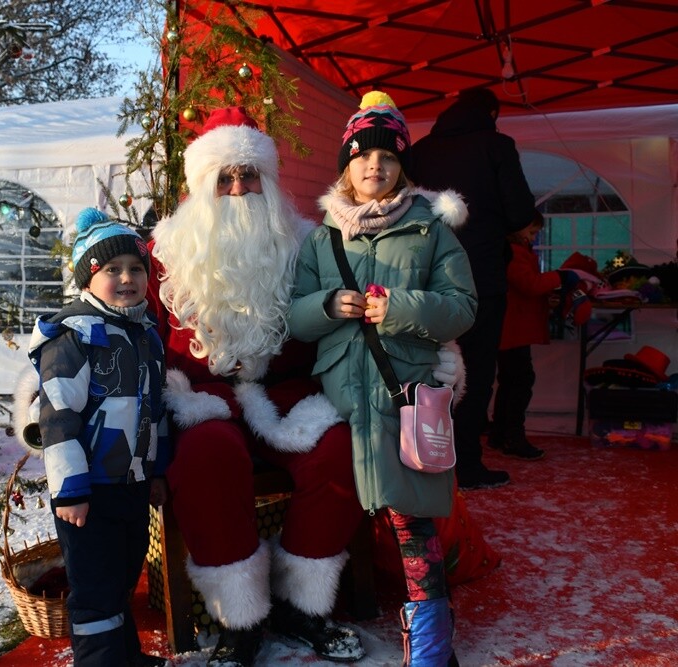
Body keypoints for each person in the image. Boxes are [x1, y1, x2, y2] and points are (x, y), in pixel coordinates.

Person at [147, 107, 369, 665]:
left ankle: (302, 606)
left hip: (286, 393)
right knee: (204, 460)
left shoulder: (306, 245)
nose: (239, 188)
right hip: (204, 399)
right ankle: (239, 619)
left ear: (269, 182)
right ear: (202, 185)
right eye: (224, 177)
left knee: (340, 452)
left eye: (250, 176)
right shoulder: (164, 254)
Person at [287, 91, 476, 666]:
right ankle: (331, 608)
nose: (375, 166)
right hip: (344, 400)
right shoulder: (322, 238)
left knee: (413, 520)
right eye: (362, 156)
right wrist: (327, 304)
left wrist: (396, 306)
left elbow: (461, 307)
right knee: (343, 510)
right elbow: (294, 318)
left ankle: (433, 643)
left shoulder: (431, 231)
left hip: (405, 394)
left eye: (388, 157)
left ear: (402, 166)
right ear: (346, 164)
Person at [27, 208, 170, 667]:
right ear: (87, 279)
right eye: (112, 269)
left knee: (122, 578)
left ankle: (124, 656)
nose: (126, 278)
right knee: (94, 589)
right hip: (86, 490)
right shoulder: (73, 338)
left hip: (130, 483)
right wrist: (70, 491)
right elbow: (58, 418)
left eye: (135, 268)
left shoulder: (145, 334)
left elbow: (156, 409)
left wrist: (158, 470)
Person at [410, 87, 537, 490]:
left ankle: (423, 459)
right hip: (480, 274)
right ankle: (465, 465)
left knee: (427, 370)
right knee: (476, 372)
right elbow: (520, 214)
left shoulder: (420, 150)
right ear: (492, 112)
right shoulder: (496, 146)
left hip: (425, 277)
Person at [490, 212, 580, 460]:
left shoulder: (515, 250)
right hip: (513, 328)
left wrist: (548, 292)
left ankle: (501, 433)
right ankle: (512, 437)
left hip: (512, 326)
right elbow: (529, 284)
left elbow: (527, 287)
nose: (533, 237)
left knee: (511, 381)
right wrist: (559, 277)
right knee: (519, 381)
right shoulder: (514, 252)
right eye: (531, 232)